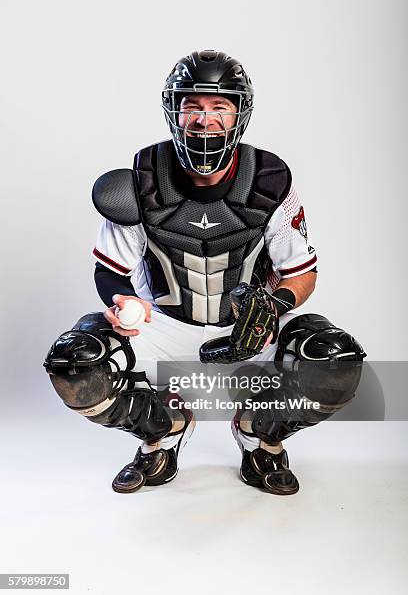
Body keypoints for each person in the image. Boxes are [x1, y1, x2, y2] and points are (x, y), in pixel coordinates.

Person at [44, 50, 365, 496]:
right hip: (166, 326)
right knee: (74, 362)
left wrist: (274, 306)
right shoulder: (140, 179)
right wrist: (123, 301)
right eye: (192, 106)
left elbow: (301, 273)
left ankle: (260, 437)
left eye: (219, 107)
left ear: (240, 113)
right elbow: (109, 271)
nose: (204, 119)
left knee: (335, 361)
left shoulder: (270, 180)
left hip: (249, 330)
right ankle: (163, 432)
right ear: (174, 110)